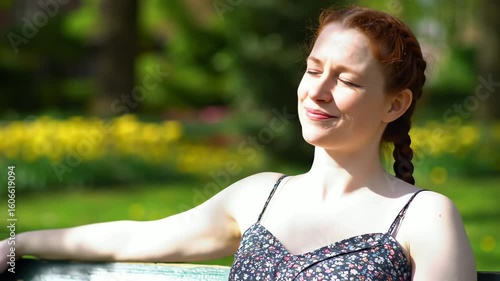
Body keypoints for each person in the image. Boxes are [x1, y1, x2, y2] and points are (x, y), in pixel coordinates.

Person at [1, 6, 476, 280]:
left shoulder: (425, 217)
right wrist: (17, 242)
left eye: (346, 80)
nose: (317, 90)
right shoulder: (258, 196)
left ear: (394, 106)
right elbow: (136, 237)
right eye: (313, 69)